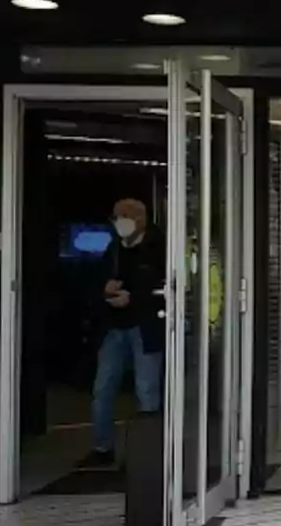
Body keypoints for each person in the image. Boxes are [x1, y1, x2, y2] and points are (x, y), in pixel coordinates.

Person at [80, 197, 166, 468]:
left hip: (145, 328)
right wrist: (105, 289)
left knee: (147, 391)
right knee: (102, 390)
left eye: (123, 216)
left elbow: (170, 289)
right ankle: (102, 448)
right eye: (115, 217)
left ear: (140, 218)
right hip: (114, 327)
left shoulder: (160, 247)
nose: (118, 222)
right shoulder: (115, 247)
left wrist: (135, 298)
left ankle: (147, 453)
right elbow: (98, 280)